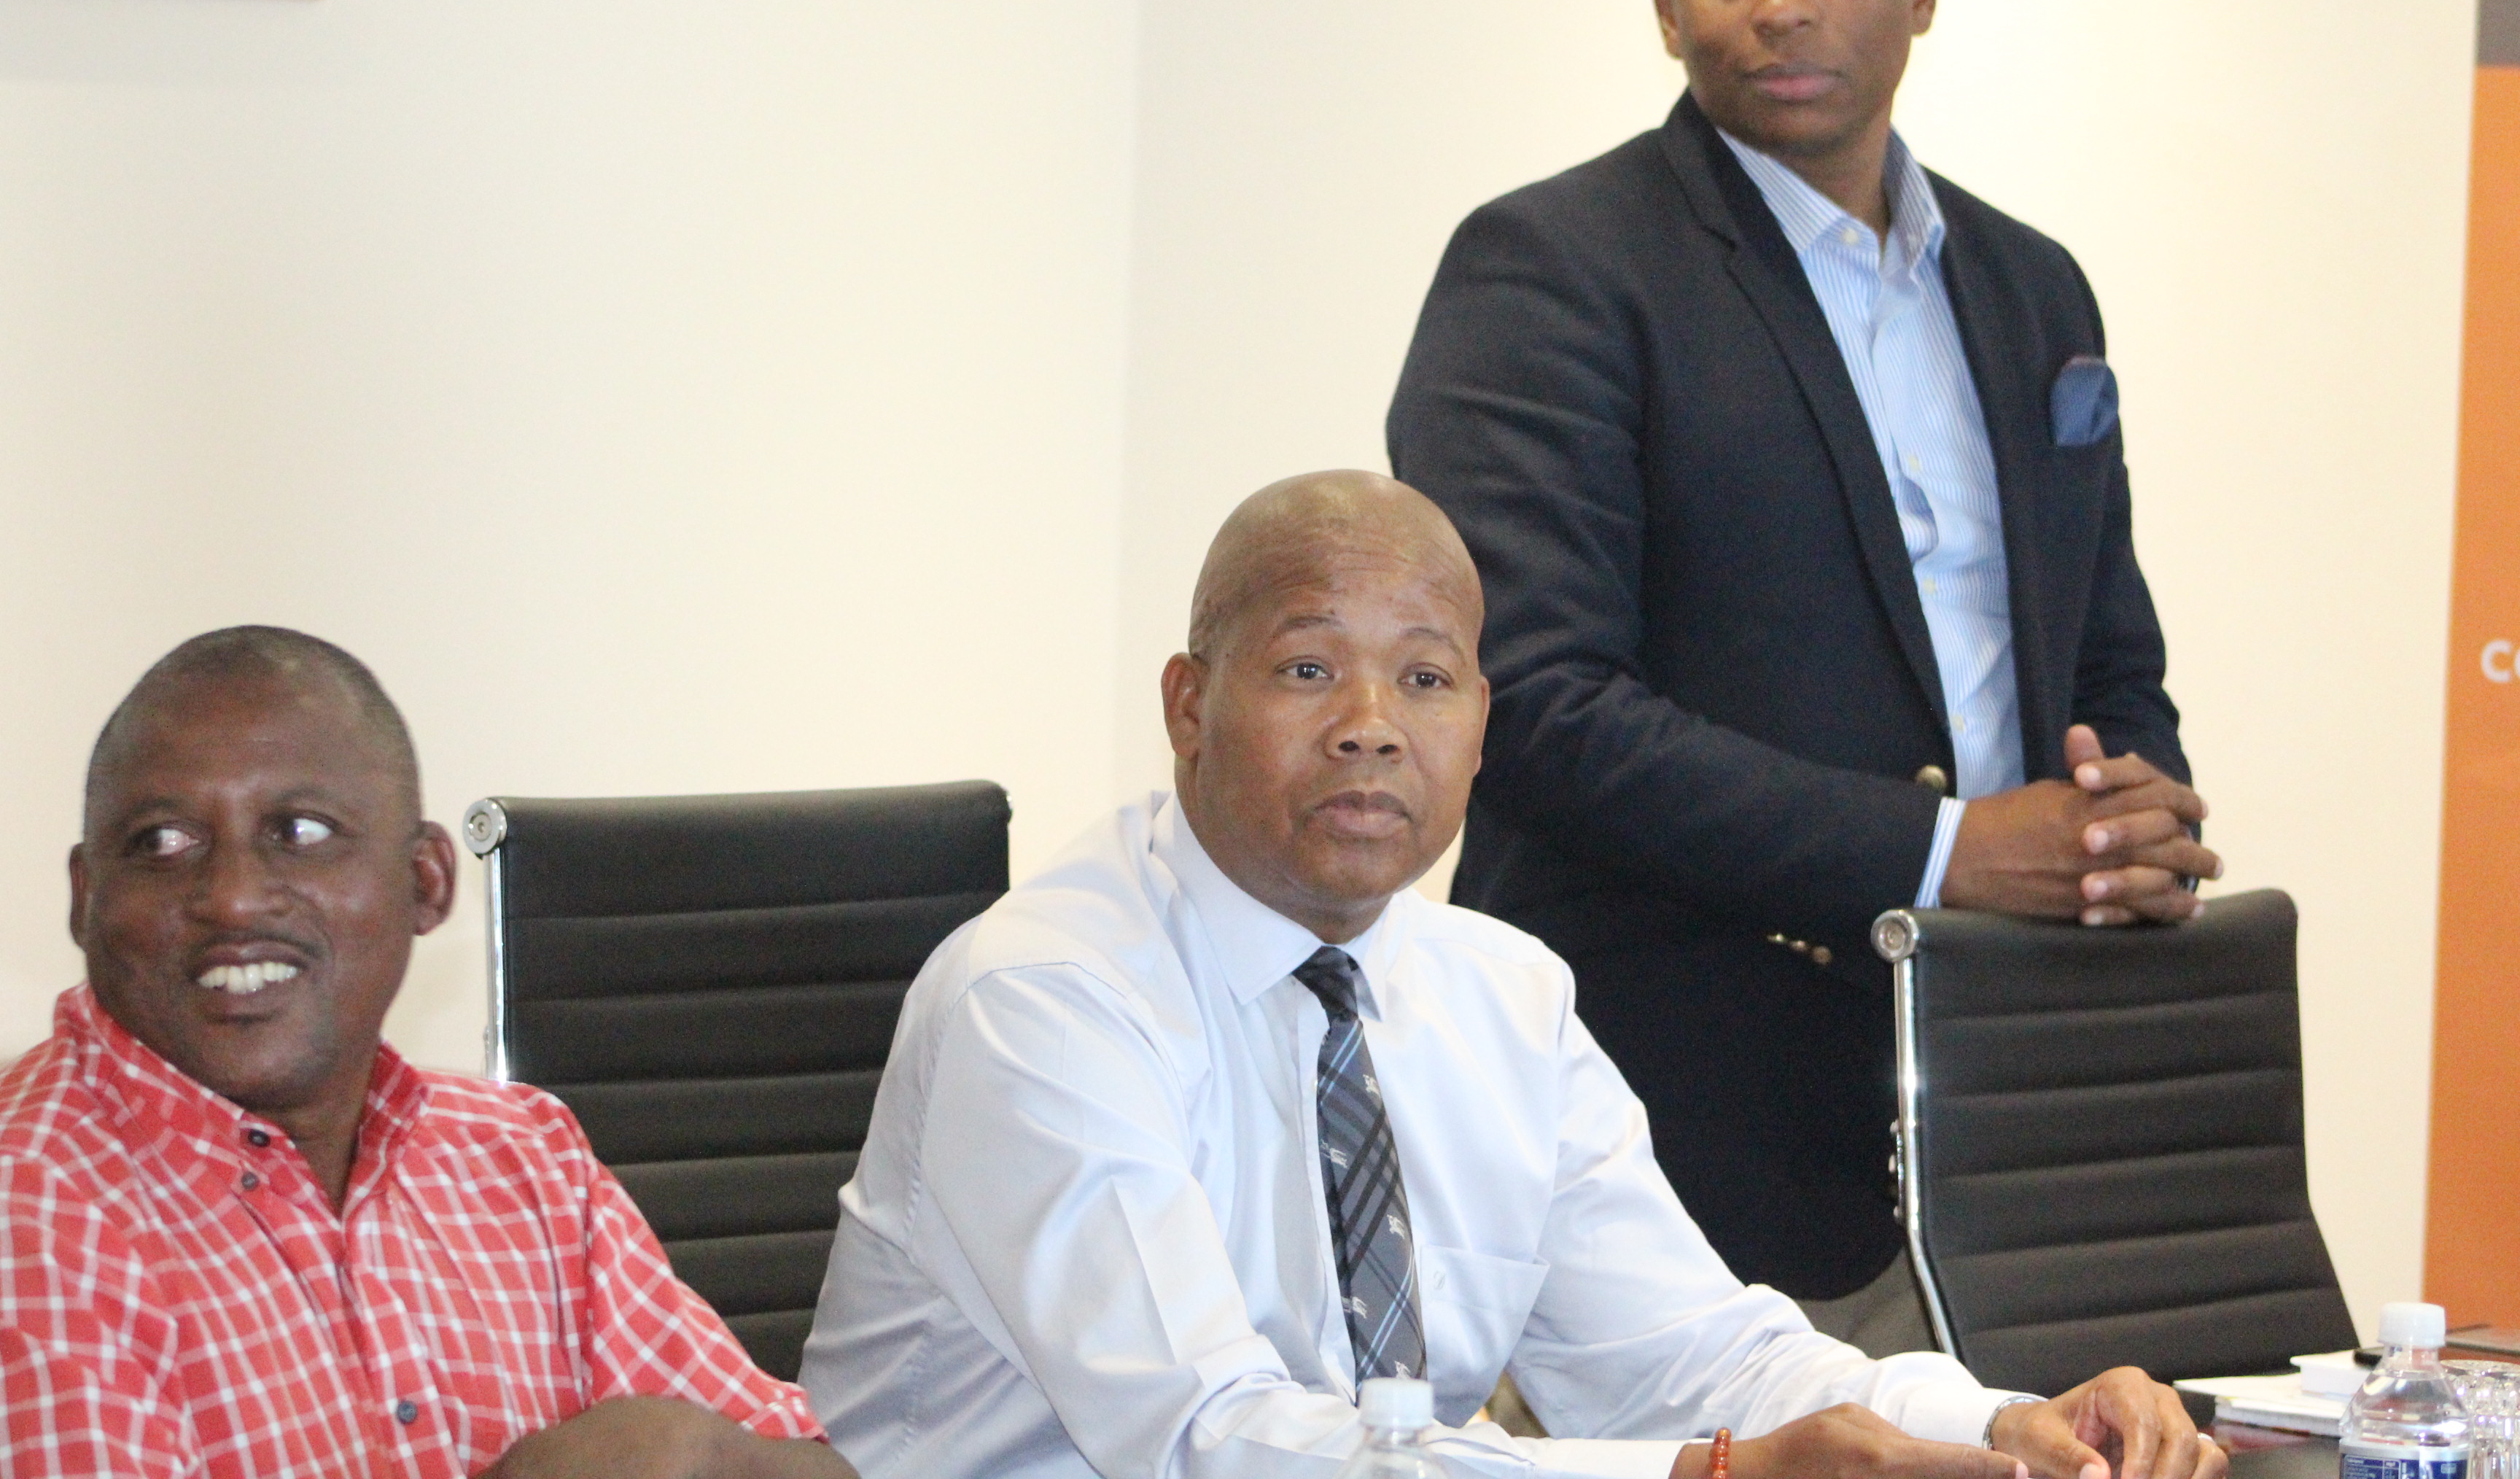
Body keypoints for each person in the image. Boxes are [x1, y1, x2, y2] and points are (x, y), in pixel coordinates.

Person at [800, 469, 2223, 1479]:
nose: (1372, 726)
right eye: (1308, 670)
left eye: (1426, 679)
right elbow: (1209, 1441)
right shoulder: (1044, 998)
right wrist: (1707, 1475)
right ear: (1189, 704)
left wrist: (1997, 1423)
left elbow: (1697, 1359)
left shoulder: (1505, 995)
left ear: (1482, 724)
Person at [1384, 0, 2222, 1346]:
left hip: (2014, 1124)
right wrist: (1945, 852)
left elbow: (2104, 652)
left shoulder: (2034, 287)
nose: (1781, 6)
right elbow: (1539, 705)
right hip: (1676, 1130)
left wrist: (2126, 819)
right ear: (1666, 9)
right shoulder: (1553, 270)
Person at [0, 626, 853, 1479]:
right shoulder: (31, 1212)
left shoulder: (524, 1156)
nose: (233, 898)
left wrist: (696, 1446)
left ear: (426, 882)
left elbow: (808, 1468)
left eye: (300, 831)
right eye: (161, 843)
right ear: (85, 899)